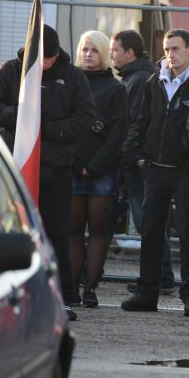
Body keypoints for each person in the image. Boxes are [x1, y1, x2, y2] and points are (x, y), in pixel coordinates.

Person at [0, 24, 96, 322]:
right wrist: (23, 116)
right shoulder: (10, 71)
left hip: (57, 169)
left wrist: (50, 129)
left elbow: (85, 116)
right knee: (12, 230)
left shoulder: (73, 76)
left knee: (57, 232)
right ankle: (6, 292)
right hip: (16, 166)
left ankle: (62, 295)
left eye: (52, 57)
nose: (47, 63)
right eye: (43, 57)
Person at [120, 28, 189, 317]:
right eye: (166, 49)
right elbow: (141, 120)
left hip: (185, 170)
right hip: (155, 169)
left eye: (175, 48)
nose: (170, 54)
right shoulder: (154, 81)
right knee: (150, 232)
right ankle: (147, 293)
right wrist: (138, 158)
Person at [110, 29, 176, 295]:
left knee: (147, 220)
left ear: (130, 52)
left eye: (115, 49)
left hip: (135, 163)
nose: (111, 54)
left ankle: (161, 277)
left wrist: (129, 157)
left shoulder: (138, 80)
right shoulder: (139, 76)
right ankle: (163, 276)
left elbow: (134, 122)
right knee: (148, 219)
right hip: (137, 161)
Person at [69, 31, 127, 308]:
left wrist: (94, 166)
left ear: (103, 53)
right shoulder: (70, 83)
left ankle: (90, 288)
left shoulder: (116, 89)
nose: (88, 54)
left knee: (99, 230)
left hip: (101, 171)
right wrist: (76, 164)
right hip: (70, 168)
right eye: (84, 49)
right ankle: (71, 289)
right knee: (73, 230)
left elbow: (118, 134)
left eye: (93, 50)